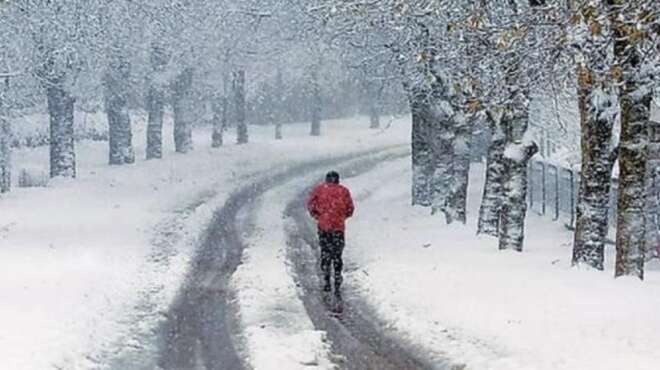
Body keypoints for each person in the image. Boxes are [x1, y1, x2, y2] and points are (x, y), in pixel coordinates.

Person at [307, 170, 354, 296]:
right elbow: (350, 209)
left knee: (325, 252)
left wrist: (319, 216)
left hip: (324, 227)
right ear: (338, 179)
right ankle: (337, 276)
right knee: (337, 254)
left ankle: (327, 277)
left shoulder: (319, 190)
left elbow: (311, 205)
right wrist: (340, 216)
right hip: (338, 227)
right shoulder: (344, 191)